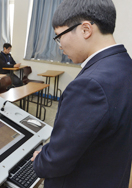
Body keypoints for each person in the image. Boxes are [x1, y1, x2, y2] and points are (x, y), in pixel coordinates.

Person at [31, 0, 132, 188]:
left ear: (85, 29)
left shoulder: (90, 85)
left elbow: (56, 160)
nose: (59, 46)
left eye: (58, 36)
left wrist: (40, 159)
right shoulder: (125, 64)